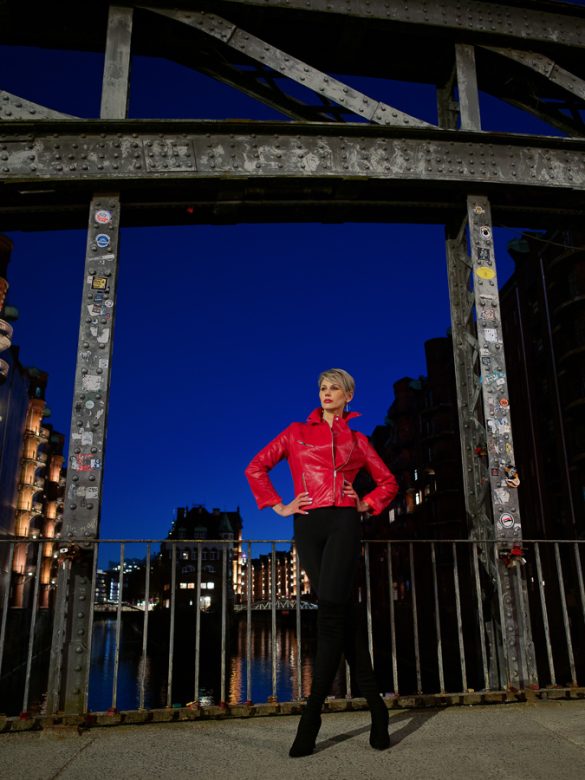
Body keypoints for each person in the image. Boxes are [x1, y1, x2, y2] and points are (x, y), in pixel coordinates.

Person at [245, 368, 399, 757]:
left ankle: (310, 720)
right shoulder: (296, 432)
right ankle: (378, 711)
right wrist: (279, 505)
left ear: (349, 396)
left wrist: (365, 503)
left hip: (345, 521)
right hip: (308, 524)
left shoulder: (358, 440)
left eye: (334, 388)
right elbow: (256, 467)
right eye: (322, 388)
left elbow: (389, 483)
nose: (326, 393)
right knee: (340, 615)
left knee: (329, 613)